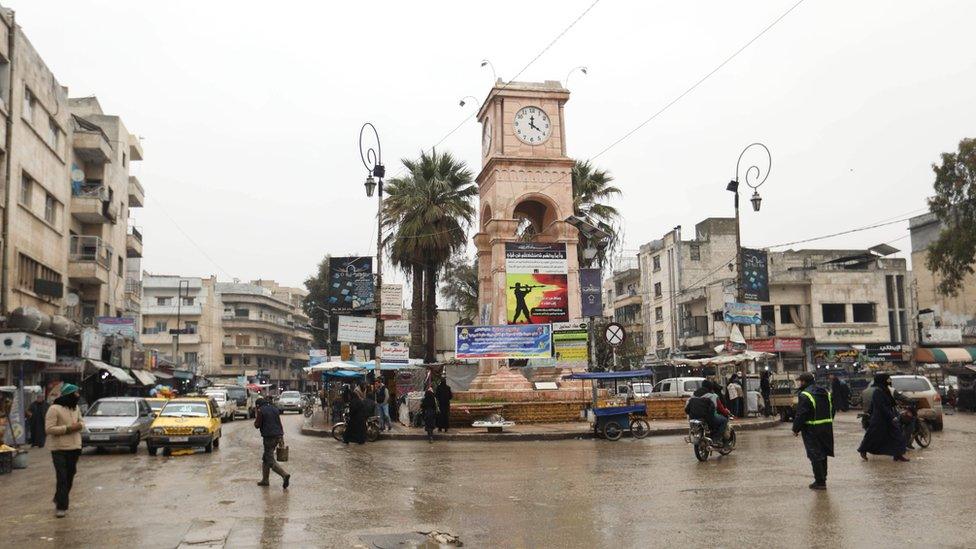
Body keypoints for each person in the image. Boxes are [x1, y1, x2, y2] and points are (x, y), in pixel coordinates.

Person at [45, 384, 84, 518]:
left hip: (75, 447)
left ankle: (59, 497)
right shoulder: (54, 409)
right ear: (70, 394)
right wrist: (67, 429)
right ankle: (61, 507)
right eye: (76, 393)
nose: (78, 396)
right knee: (61, 477)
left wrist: (80, 425)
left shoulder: (76, 408)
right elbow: (49, 429)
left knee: (70, 476)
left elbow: (81, 422)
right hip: (59, 448)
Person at [792, 372, 835, 490]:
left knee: (815, 454)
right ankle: (823, 478)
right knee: (823, 453)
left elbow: (801, 414)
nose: (799, 383)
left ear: (804, 382)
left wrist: (796, 429)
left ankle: (820, 482)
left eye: (800, 381)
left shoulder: (805, 395)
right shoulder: (825, 392)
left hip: (811, 429)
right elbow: (833, 409)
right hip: (826, 427)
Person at [857, 373, 909, 462]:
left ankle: (898, 454)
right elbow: (881, 406)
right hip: (880, 419)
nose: (889, 382)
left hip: (887, 417)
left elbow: (890, 402)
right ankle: (863, 450)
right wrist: (892, 417)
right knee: (872, 436)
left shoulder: (885, 390)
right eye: (887, 380)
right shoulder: (878, 392)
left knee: (897, 434)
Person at [253, 397, 290, 489]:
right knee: (265, 458)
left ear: (258, 405)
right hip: (278, 435)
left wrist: (256, 416)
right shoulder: (274, 408)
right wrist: (281, 437)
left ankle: (284, 475)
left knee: (269, 459)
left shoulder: (261, 410)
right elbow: (279, 423)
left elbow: (257, 425)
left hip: (269, 437)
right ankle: (265, 480)